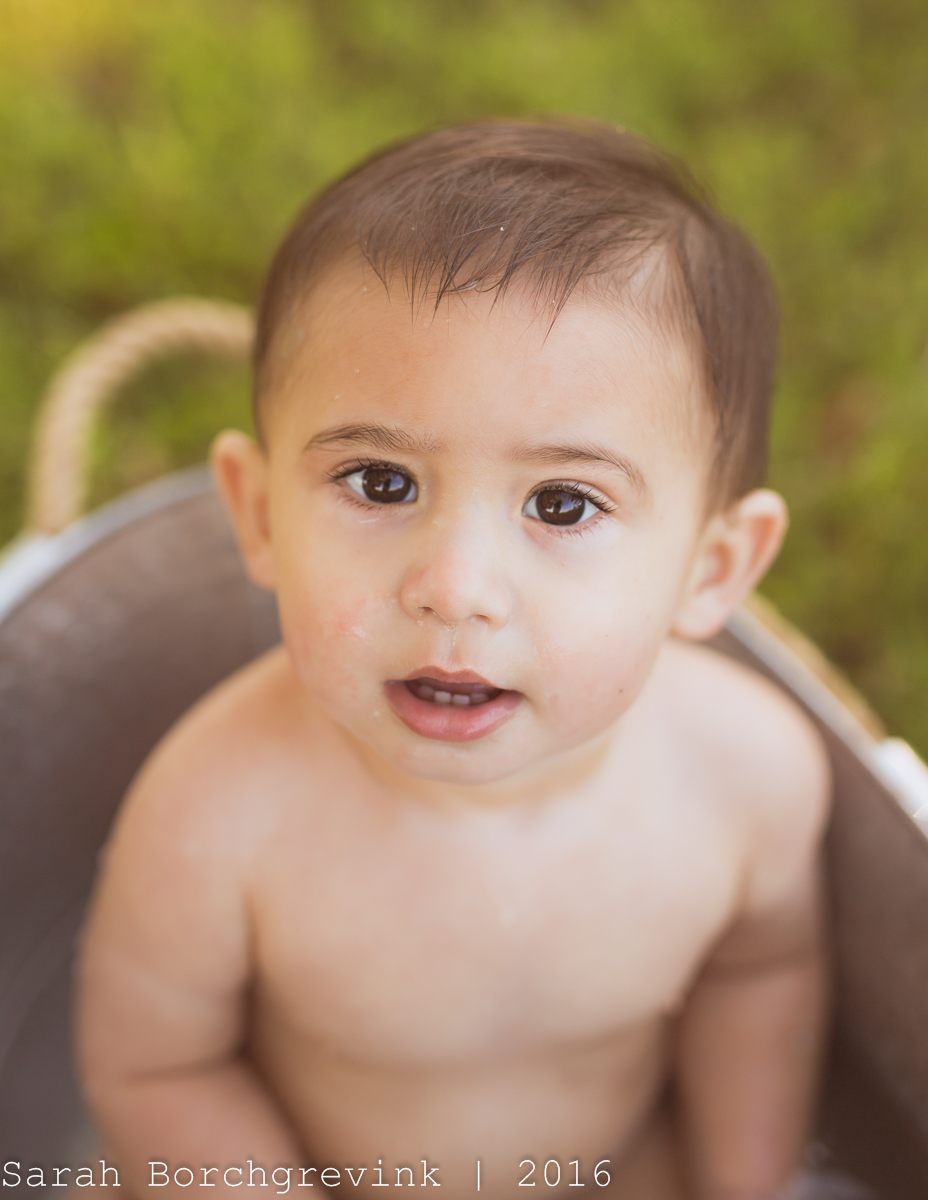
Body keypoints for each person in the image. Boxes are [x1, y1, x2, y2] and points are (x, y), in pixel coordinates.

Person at [77, 120, 831, 1200]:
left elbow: (763, 979)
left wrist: (741, 1185)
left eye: (562, 503)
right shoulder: (218, 810)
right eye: (381, 483)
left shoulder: (750, 777)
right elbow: (155, 1068)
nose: (456, 586)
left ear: (714, 568)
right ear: (254, 513)